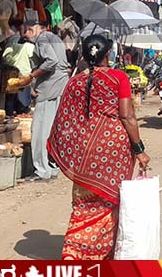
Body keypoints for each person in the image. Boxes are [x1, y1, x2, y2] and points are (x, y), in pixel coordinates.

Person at [47, 34, 150, 260]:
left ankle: (74, 251)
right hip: (115, 150)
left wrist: (60, 147)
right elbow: (127, 116)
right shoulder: (118, 78)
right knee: (109, 200)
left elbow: (64, 119)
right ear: (107, 54)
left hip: (84, 150)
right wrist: (139, 149)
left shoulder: (74, 81)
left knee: (84, 201)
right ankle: (99, 254)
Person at [17, 12, 70, 181]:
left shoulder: (42, 39)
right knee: (51, 131)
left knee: (39, 131)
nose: (25, 39)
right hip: (58, 87)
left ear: (31, 29)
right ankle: (51, 167)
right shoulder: (53, 37)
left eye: (25, 35)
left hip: (49, 90)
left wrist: (31, 76)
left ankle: (42, 171)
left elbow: (51, 61)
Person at [2, 18, 34, 116]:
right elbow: (34, 61)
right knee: (23, 102)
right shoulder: (29, 46)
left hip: (13, 74)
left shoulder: (11, 41)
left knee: (11, 98)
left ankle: (10, 116)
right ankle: (20, 113)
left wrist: (11, 65)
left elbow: (5, 57)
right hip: (24, 75)